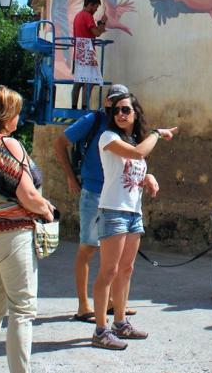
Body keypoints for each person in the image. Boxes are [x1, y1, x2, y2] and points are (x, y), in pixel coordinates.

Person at [0, 86, 56, 373]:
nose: (19, 117)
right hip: (11, 234)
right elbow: (27, 195)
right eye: (16, 111)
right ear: (5, 115)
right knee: (23, 310)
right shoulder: (8, 145)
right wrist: (46, 209)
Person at [91, 91, 176, 350]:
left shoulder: (131, 141)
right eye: (116, 110)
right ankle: (100, 330)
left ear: (135, 113)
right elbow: (138, 154)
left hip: (133, 213)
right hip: (113, 211)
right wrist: (157, 133)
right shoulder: (108, 137)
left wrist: (147, 177)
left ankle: (120, 323)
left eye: (126, 109)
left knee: (126, 270)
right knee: (108, 271)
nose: (120, 114)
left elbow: (130, 170)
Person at [53, 83, 136, 322]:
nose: (118, 107)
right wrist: (70, 177)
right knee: (88, 248)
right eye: (114, 101)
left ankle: (112, 303)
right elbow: (60, 143)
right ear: (107, 102)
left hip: (117, 198)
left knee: (115, 256)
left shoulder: (126, 125)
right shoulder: (93, 120)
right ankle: (83, 306)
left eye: (123, 102)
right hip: (94, 193)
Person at [72, 0, 108, 110]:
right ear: (90, 5)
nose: (96, 10)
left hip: (78, 53)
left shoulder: (78, 16)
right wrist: (102, 23)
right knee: (90, 82)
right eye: (96, 7)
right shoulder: (87, 16)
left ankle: (74, 108)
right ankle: (84, 107)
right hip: (87, 54)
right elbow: (96, 33)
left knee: (78, 83)